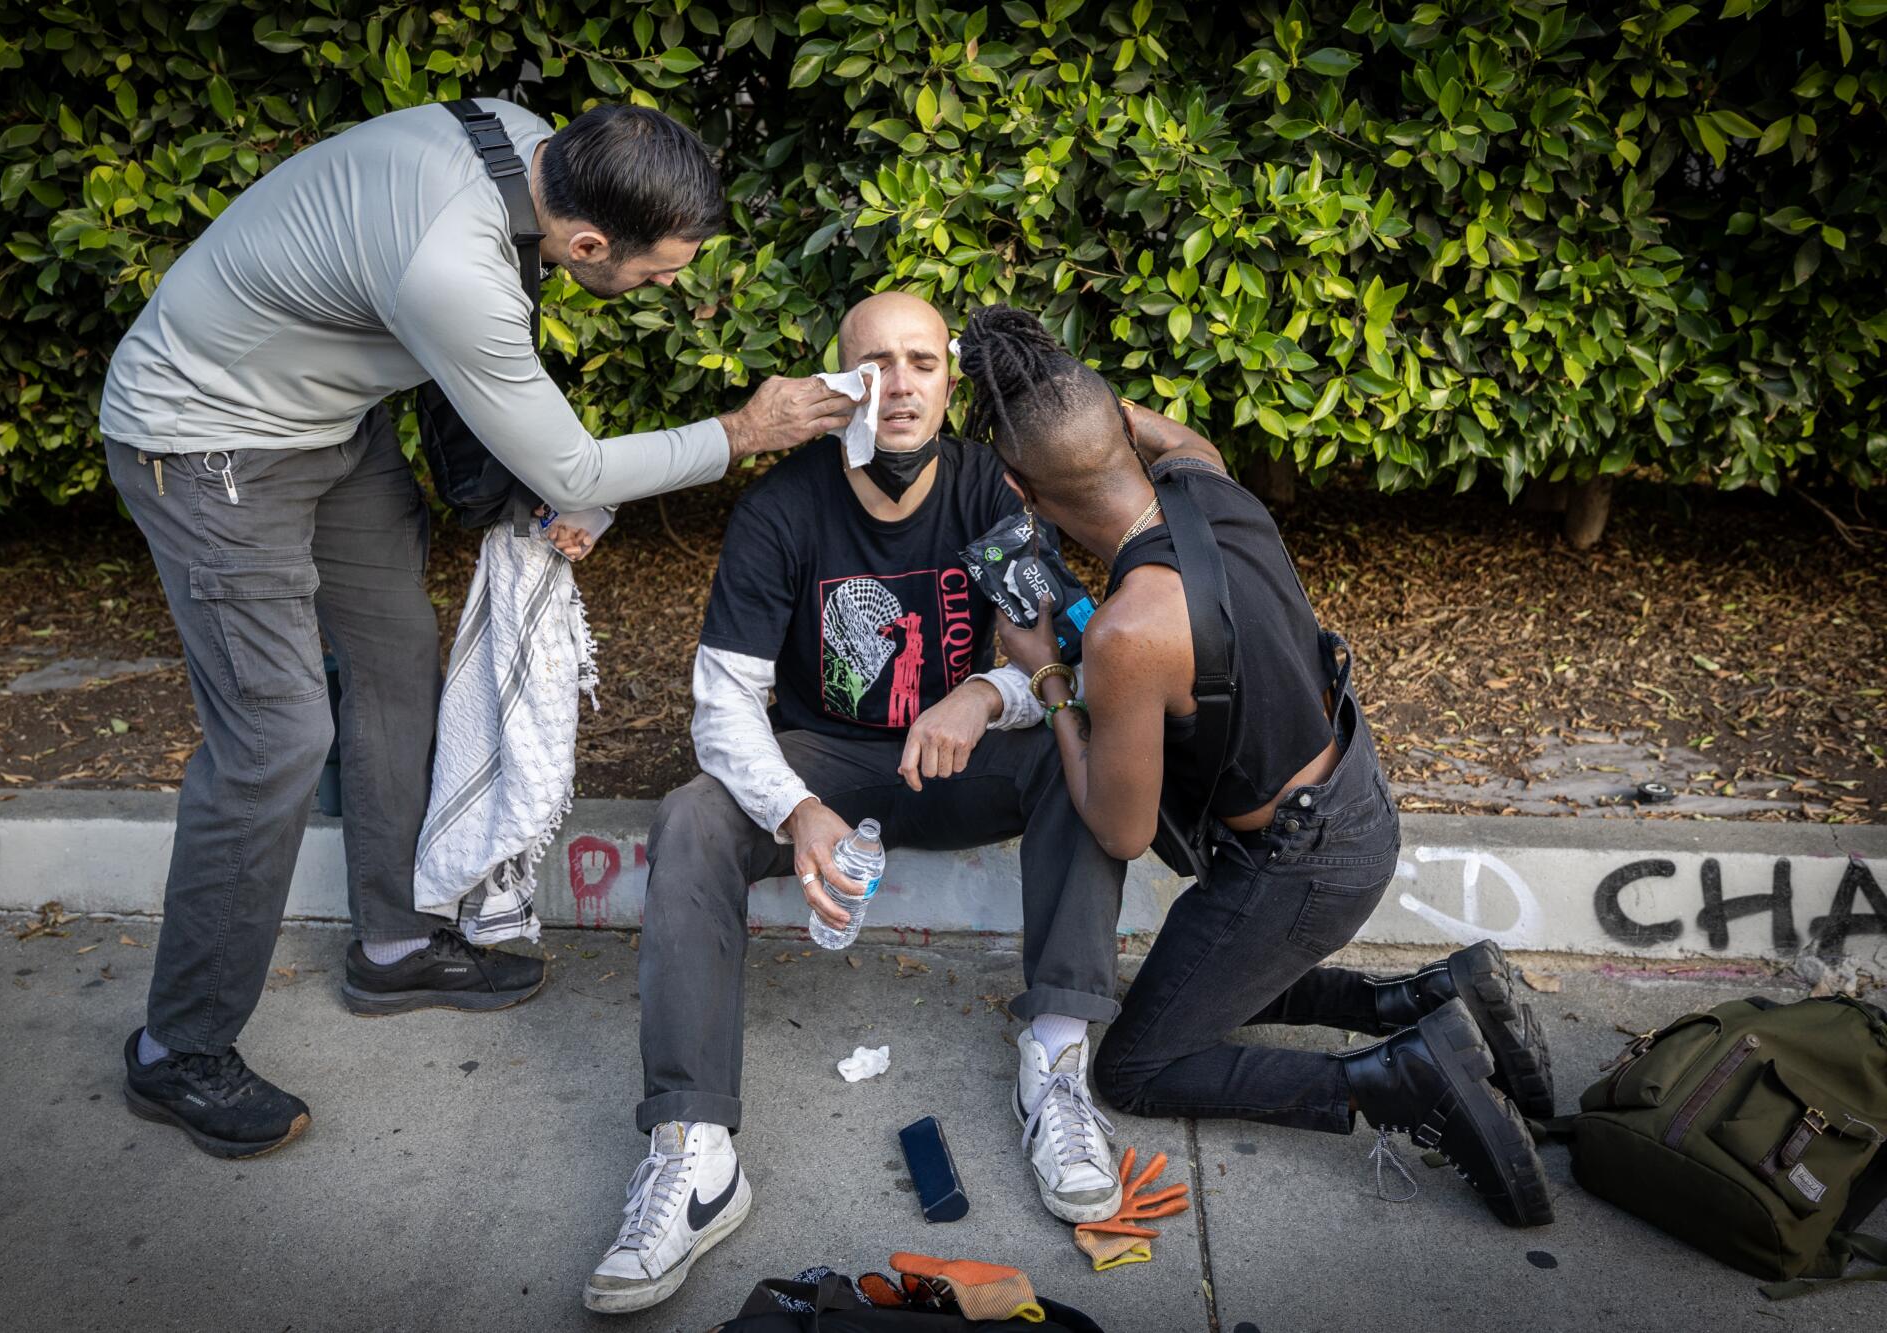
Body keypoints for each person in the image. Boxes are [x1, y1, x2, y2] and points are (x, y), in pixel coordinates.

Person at [102, 97, 856, 1160]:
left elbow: (486, 381)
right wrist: (742, 431)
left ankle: (395, 943)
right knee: (274, 740)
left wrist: (516, 486)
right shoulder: (446, 263)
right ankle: (174, 1049)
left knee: (397, 661)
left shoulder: (522, 137)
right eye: (655, 271)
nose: (669, 285)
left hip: (327, 416)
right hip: (208, 439)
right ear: (588, 242)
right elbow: (575, 464)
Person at [582, 293, 1129, 1314]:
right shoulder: (783, 507)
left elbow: (1066, 664)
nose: (901, 381)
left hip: (955, 758)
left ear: (949, 383)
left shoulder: (981, 491)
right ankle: (693, 1153)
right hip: (822, 758)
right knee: (695, 814)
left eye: (922, 360)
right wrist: (796, 811)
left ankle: (1055, 1062)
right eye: (875, 362)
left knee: (1076, 752)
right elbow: (722, 703)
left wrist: (980, 691)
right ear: (841, 382)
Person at [954, 305, 1558, 1228]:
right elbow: (1148, 431)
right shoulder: (1210, 482)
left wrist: (1041, 664)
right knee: (1191, 987)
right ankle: (1436, 994)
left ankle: (1401, 1078)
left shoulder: (1128, 633)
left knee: (1137, 1064)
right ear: (1127, 423)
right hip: (1353, 799)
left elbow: (1117, 826)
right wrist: (1072, 393)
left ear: (1019, 494)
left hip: (1297, 869)